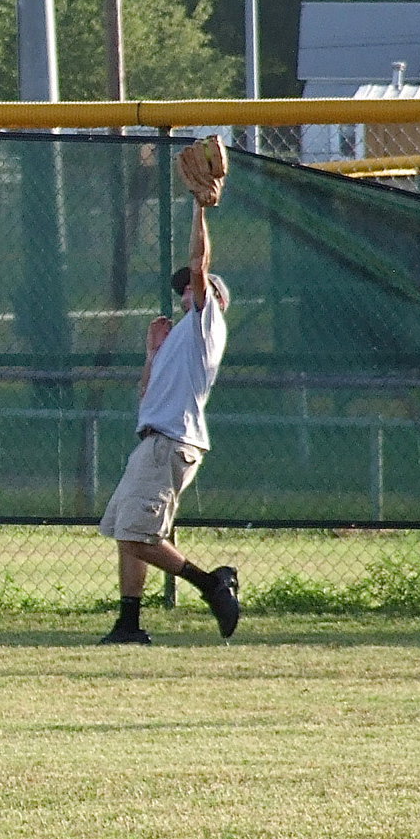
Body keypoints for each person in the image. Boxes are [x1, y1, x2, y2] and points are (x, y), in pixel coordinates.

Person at [98, 193, 239, 645]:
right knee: (128, 533)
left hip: (171, 443)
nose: (184, 290)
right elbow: (145, 396)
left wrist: (200, 207)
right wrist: (151, 354)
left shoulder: (206, 323)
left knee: (139, 534)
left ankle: (210, 583)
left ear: (212, 296)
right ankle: (129, 623)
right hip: (153, 440)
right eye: (182, 288)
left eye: (192, 286)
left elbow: (199, 261)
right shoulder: (178, 339)